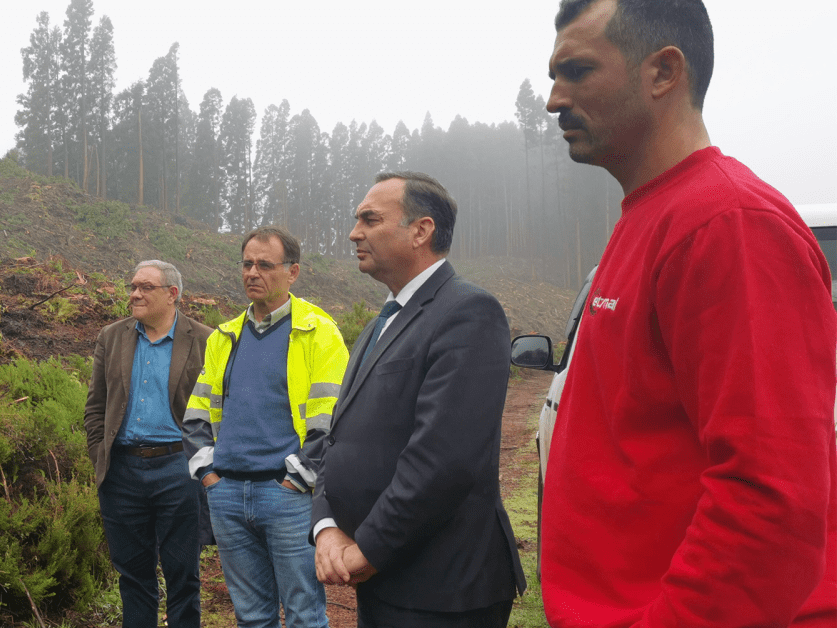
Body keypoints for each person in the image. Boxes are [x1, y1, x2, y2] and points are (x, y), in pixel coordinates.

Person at [541, 1, 837, 626]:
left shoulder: (729, 224)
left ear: (664, 72)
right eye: (553, 76)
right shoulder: (652, 215)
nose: (553, 99)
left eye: (577, 71)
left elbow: (770, 500)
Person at [312, 172, 526, 628]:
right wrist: (327, 526)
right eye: (356, 220)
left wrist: (368, 548)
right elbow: (338, 436)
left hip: (440, 590)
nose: (354, 233)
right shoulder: (379, 324)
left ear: (421, 230)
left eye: (370, 219)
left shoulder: (468, 312)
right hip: (382, 577)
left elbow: (443, 460)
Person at [183, 226, 347, 628]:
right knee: (252, 617)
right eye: (247, 264)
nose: (252, 272)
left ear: (292, 272)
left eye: (264, 265)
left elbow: (332, 420)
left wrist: (298, 480)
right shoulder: (225, 336)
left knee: (305, 615)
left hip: (287, 497)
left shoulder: (318, 332)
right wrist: (208, 475)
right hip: (227, 495)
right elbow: (197, 414)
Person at [83, 260, 212, 628]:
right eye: (133, 286)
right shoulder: (112, 336)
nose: (135, 294)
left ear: (172, 294)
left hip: (179, 469)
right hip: (121, 472)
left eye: (145, 287)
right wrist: (100, 456)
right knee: (133, 577)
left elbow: (222, 408)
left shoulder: (204, 339)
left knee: (182, 574)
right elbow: (95, 406)